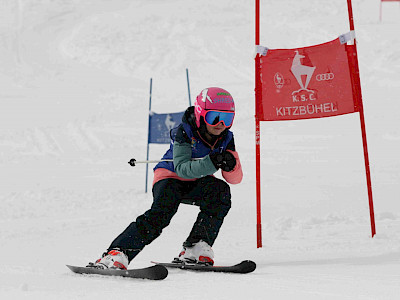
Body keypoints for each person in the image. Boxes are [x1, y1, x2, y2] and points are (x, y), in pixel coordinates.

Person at [90, 87, 243, 270]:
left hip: (196, 181)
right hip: (169, 178)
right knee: (161, 214)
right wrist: (211, 163)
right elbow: (182, 168)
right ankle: (117, 253)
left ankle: (196, 247)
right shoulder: (185, 131)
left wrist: (230, 165)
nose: (220, 124)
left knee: (221, 193)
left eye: (227, 118)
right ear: (201, 114)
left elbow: (234, 179)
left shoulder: (226, 137)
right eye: (214, 117)